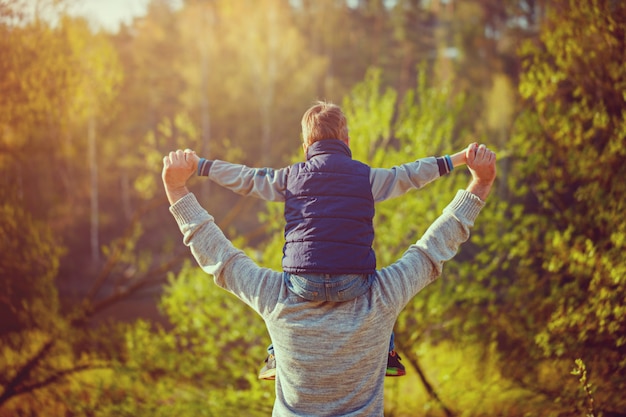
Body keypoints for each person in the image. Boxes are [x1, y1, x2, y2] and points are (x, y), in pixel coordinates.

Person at [162, 142, 496, 416]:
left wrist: (176, 188)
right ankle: (384, 352)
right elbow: (432, 249)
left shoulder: (275, 298)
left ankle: (275, 353)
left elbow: (220, 258)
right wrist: (479, 184)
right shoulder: (381, 296)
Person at [186, 101, 470, 379]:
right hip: (353, 283)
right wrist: (457, 159)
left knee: (281, 281)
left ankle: (275, 352)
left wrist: (202, 166)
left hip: (302, 284)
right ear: (347, 141)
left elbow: (246, 178)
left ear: (305, 146)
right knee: (383, 290)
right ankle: (387, 350)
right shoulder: (366, 177)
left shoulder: (289, 178)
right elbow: (409, 175)